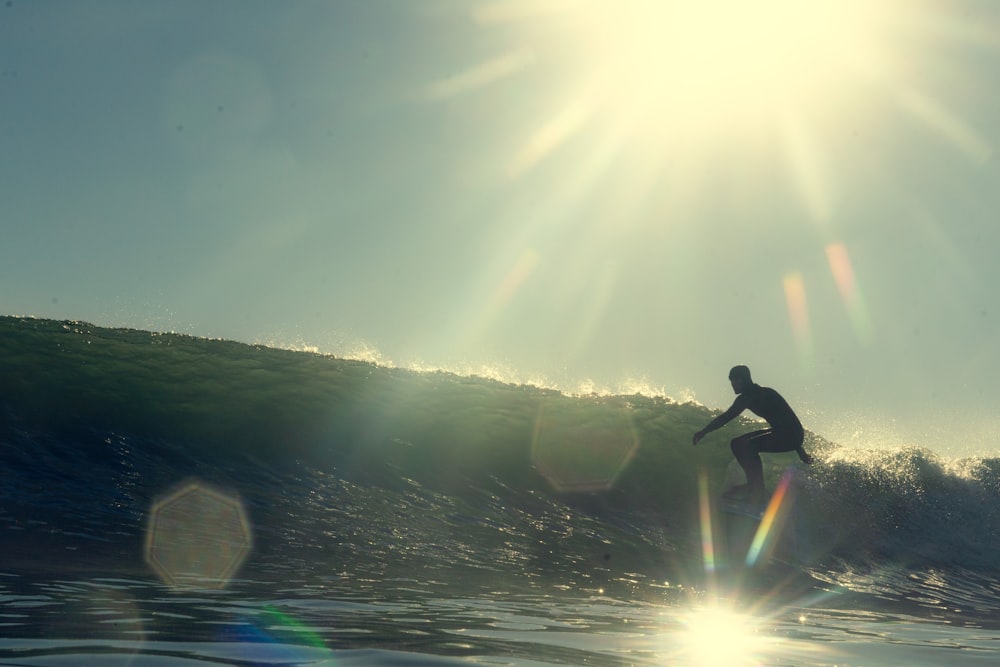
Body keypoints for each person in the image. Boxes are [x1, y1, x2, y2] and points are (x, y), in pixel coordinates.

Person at [692, 365, 813, 504]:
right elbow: (784, 421)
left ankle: (756, 489)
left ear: (742, 380)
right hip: (789, 433)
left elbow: (726, 418)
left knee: (748, 446)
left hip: (789, 434)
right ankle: (755, 487)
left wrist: (704, 431)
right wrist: (799, 447)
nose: (732, 385)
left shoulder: (750, 397)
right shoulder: (764, 392)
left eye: (734, 381)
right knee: (737, 443)